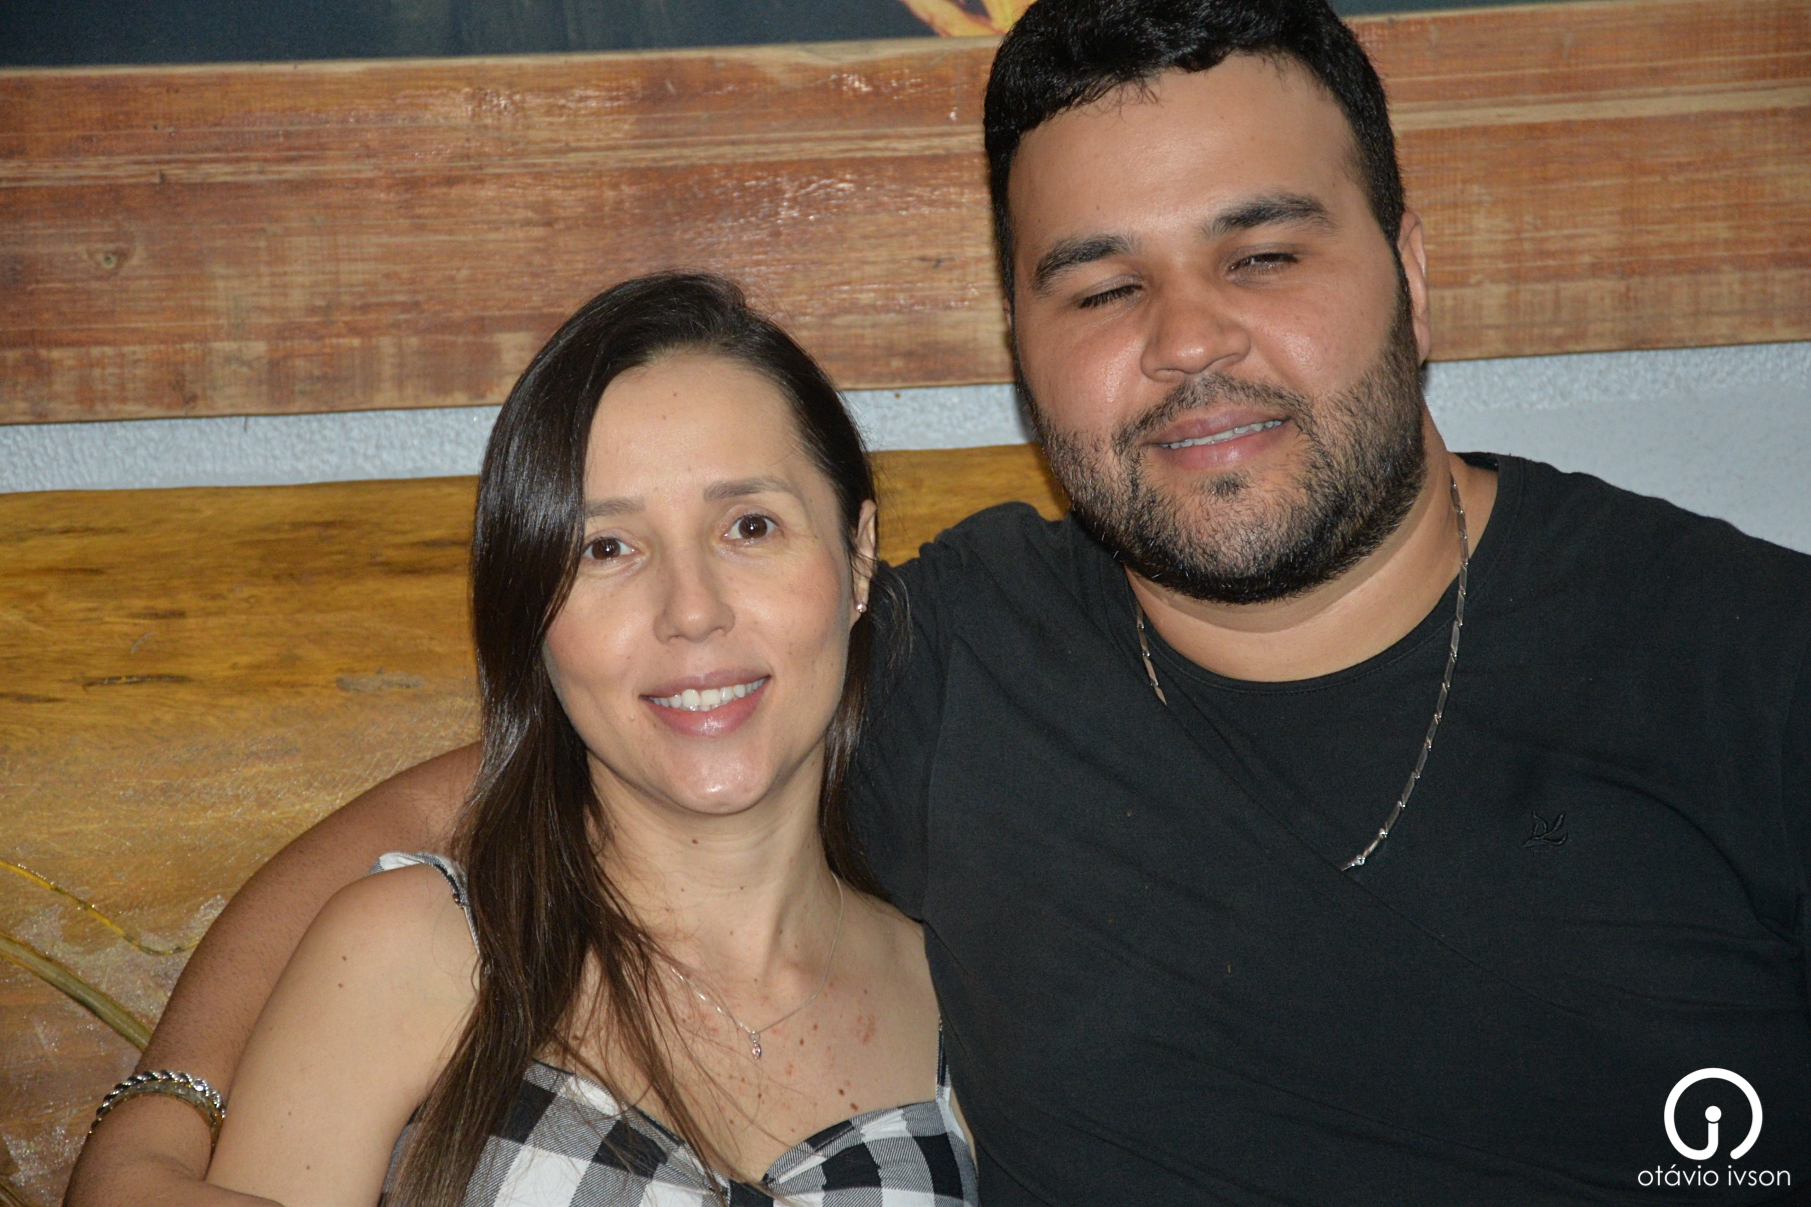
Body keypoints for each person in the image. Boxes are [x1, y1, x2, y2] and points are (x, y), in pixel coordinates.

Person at [70, 0, 1811, 1203]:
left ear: (1412, 274)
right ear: (1019, 348)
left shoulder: (1749, 665)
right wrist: (159, 1129)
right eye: (1099, 285)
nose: (1186, 340)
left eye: (1262, 253)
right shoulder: (966, 650)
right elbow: (461, 812)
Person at [186, 272, 976, 1206]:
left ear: (858, 556)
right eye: (607, 547)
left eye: (749, 526)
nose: (691, 610)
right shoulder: (411, 955)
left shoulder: (963, 1002)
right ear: (531, 611)